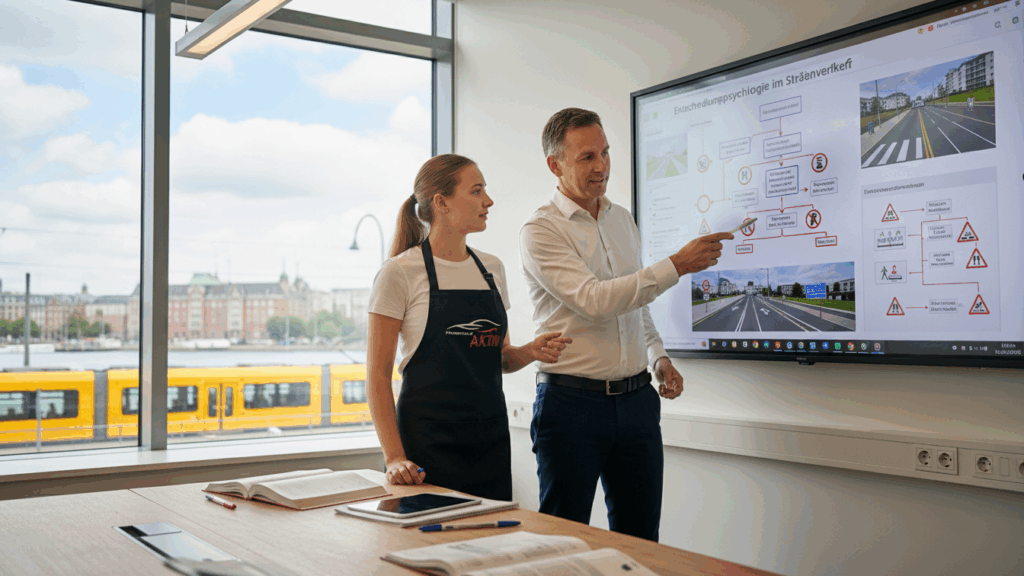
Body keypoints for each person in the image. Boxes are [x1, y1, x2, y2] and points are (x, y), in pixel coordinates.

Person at [520, 108, 733, 542]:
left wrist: (658, 359)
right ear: (555, 165)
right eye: (586, 157)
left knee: (641, 541)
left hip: (636, 402)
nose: (601, 166)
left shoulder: (621, 219)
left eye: (605, 152)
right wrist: (676, 265)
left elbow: (634, 302)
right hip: (571, 406)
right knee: (565, 541)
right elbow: (595, 300)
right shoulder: (540, 231)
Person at [367, 154, 572, 501]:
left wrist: (527, 352)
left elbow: (500, 358)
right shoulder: (399, 272)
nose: (488, 201)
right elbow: (376, 375)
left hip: (489, 441)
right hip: (426, 446)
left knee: (491, 547)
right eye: (476, 191)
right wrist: (395, 457)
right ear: (442, 202)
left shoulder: (492, 269)